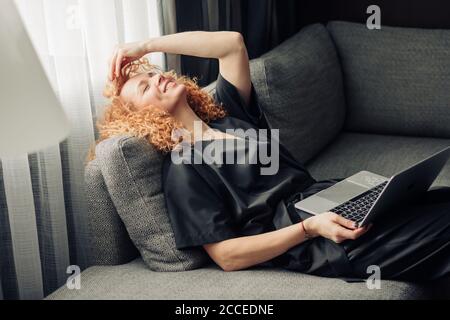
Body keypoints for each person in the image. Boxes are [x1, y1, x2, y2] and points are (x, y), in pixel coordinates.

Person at [89, 31, 450, 282]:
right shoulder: (183, 170)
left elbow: (231, 45)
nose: (157, 79)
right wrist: (309, 227)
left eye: (155, 72)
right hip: (323, 240)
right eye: (145, 86)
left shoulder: (227, 114)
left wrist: (143, 46)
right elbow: (226, 256)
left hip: (333, 198)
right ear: (141, 117)